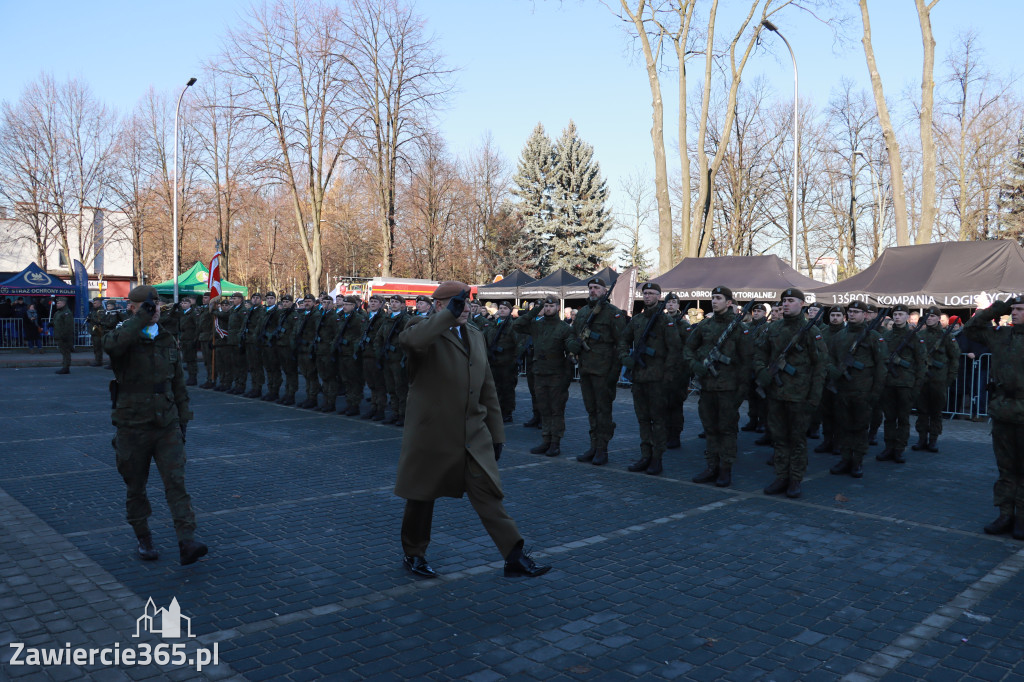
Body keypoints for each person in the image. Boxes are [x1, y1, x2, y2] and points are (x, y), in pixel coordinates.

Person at [394, 281, 550, 579]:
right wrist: (446, 317)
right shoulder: (423, 328)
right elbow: (412, 342)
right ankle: (414, 553)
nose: (466, 308)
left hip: (472, 434)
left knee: (488, 493)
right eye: (457, 303)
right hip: (433, 435)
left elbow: (487, 387)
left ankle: (514, 555)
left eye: (467, 303)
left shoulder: (476, 334)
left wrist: (497, 434)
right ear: (440, 306)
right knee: (421, 497)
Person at [103, 285, 207, 565]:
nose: (155, 311)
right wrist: (138, 320)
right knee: (135, 486)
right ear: (132, 307)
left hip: (166, 424)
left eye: (158, 306)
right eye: (148, 306)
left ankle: (187, 541)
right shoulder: (123, 335)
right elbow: (111, 347)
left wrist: (184, 420)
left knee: (176, 482)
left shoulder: (167, 339)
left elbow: (179, 385)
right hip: (132, 426)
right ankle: (144, 537)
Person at [753, 289, 828, 498]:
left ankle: (795, 479)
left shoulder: (811, 331)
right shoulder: (772, 328)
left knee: (797, 440)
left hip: (799, 396)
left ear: (802, 304)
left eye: (791, 301)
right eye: (784, 301)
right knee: (779, 438)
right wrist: (762, 373)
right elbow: (759, 353)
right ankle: (781, 476)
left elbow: (820, 366)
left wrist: (814, 397)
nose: (786, 304)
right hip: (776, 394)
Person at [964, 295, 1024, 539]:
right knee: (1006, 468)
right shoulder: (1002, 335)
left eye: (1020, 309)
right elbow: (971, 328)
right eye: (1014, 309)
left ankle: (1022, 517)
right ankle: (1005, 514)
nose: (1015, 313)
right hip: (1002, 410)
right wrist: (997, 308)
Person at [685, 286, 752, 487]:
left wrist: (741, 391)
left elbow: (747, 361)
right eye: (713, 298)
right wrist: (695, 365)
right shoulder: (705, 325)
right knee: (710, 429)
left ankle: (725, 469)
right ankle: (711, 466)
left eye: (719, 298)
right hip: (708, 388)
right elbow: (688, 348)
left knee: (727, 430)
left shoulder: (739, 328)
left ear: (729, 302)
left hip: (729, 389)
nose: (714, 301)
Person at [618, 282, 681, 476]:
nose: (647, 296)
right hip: (639, 378)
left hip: (658, 380)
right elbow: (623, 340)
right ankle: (645, 455)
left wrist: (668, 376)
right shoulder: (636, 320)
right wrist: (625, 359)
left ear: (659, 297)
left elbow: (674, 350)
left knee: (659, 421)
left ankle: (657, 458)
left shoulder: (665, 322)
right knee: (643, 419)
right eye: (645, 293)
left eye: (652, 293)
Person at [568, 277, 626, 465]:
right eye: (591, 287)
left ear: (604, 290)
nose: (593, 290)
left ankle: (603, 448)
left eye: (597, 288)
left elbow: (621, 346)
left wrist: (613, 375)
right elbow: (572, 335)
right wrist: (572, 346)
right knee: (591, 410)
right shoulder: (584, 312)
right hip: (586, 369)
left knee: (603, 411)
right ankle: (593, 445)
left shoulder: (614, 314)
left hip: (604, 371)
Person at [828, 301, 887, 478]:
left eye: (856, 312)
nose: (852, 314)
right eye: (850, 312)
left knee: (860, 428)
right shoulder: (839, 336)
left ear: (865, 315)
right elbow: (829, 359)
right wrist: (835, 372)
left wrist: (875, 392)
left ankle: (857, 461)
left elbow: (881, 366)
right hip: (843, 390)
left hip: (864, 391)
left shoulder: (874, 337)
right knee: (844, 426)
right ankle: (846, 458)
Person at [515, 295, 574, 457]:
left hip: (556, 374)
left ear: (558, 308)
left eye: (551, 306)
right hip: (539, 373)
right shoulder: (537, 325)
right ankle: (546, 440)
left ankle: (555, 442)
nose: (548, 308)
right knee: (544, 409)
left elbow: (569, 355)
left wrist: (566, 380)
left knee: (556, 410)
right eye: (546, 306)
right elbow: (517, 325)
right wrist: (535, 309)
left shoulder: (564, 328)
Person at [877, 304, 926, 464]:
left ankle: (899, 448)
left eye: (900, 314)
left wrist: (917, 385)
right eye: (895, 314)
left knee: (903, 418)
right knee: (890, 418)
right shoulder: (887, 336)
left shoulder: (914, 337)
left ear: (906, 316)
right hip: (889, 382)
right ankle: (889, 446)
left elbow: (921, 363)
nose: (897, 317)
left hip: (906, 383)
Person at [913, 305, 961, 452]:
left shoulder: (947, 336)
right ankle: (922, 439)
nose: (930, 319)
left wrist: (949, 378)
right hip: (923, 380)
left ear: (939, 318)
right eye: (928, 316)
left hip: (939, 379)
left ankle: (933, 439)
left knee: (936, 412)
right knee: (922, 411)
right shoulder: (920, 335)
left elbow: (955, 358)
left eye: (933, 316)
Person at [375, 295, 411, 425]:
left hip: (398, 359)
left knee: (401, 388)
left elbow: (407, 339)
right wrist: (379, 351)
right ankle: (395, 413)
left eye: (397, 302)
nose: (393, 304)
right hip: (387, 358)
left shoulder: (405, 319)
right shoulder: (388, 319)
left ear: (402, 305)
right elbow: (379, 337)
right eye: (392, 302)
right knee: (391, 388)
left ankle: (403, 415)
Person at [484, 300, 521, 424]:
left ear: (510, 311)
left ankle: (507, 412)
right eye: (500, 308)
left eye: (505, 308)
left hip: (507, 363)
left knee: (507, 389)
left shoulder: (512, 325)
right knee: (495, 388)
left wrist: (514, 361)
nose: (502, 310)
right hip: (494, 362)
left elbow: (518, 344)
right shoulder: (493, 324)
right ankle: (497, 411)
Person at [336, 295, 367, 416]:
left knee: (354, 380)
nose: (344, 306)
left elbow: (361, 335)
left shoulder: (358, 318)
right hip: (342, 352)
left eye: (347, 304)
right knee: (346, 380)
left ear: (353, 306)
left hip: (352, 353)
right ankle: (349, 403)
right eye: (343, 304)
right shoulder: (340, 317)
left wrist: (352, 344)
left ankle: (355, 405)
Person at [359, 294, 388, 420]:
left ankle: (380, 409)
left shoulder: (383, 318)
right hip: (366, 354)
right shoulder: (367, 317)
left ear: (381, 304)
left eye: (376, 301)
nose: (373, 303)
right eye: (371, 301)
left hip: (376, 354)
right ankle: (374, 407)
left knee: (379, 384)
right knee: (371, 384)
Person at [178, 297, 200, 386]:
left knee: (191, 360)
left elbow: (197, 326)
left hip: (191, 339)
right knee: (187, 359)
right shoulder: (182, 313)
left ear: (190, 304)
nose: (184, 305)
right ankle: (190, 377)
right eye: (182, 303)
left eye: (186, 303)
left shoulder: (193, 313)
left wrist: (195, 339)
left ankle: (193, 377)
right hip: (184, 339)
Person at [52, 296, 75, 374]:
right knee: (63, 352)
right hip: (59, 335)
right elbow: (56, 321)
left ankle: (66, 367)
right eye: (57, 303)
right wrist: (51, 324)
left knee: (66, 352)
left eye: (59, 303)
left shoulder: (67, 313)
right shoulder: (58, 312)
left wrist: (65, 336)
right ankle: (65, 366)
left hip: (64, 336)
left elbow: (68, 326)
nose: (57, 304)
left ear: (64, 303)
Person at [87, 298, 105, 366]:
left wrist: (91, 318)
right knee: (96, 347)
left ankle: (98, 361)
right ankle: (97, 360)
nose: (93, 304)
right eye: (93, 303)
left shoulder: (101, 311)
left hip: (98, 332)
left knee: (98, 347)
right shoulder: (94, 310)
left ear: (99, 303)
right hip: (94, 331)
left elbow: (100, 321)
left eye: (95, 303)